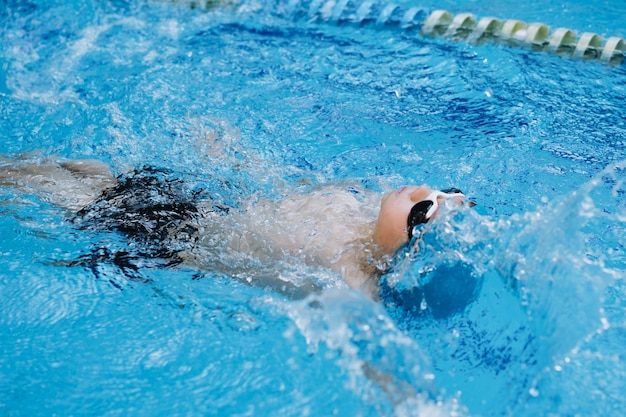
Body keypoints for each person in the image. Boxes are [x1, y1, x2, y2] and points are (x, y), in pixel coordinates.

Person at [0, 155, 468, 299]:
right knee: (94, 173)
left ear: (397, 236)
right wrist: (226, 158)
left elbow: (374, 356)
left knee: (57, 193)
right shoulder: (360, 205)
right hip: (199, 204)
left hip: (162, 239)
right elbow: (286, 191)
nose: (418, 187)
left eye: (416, 203)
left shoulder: (352, 269)